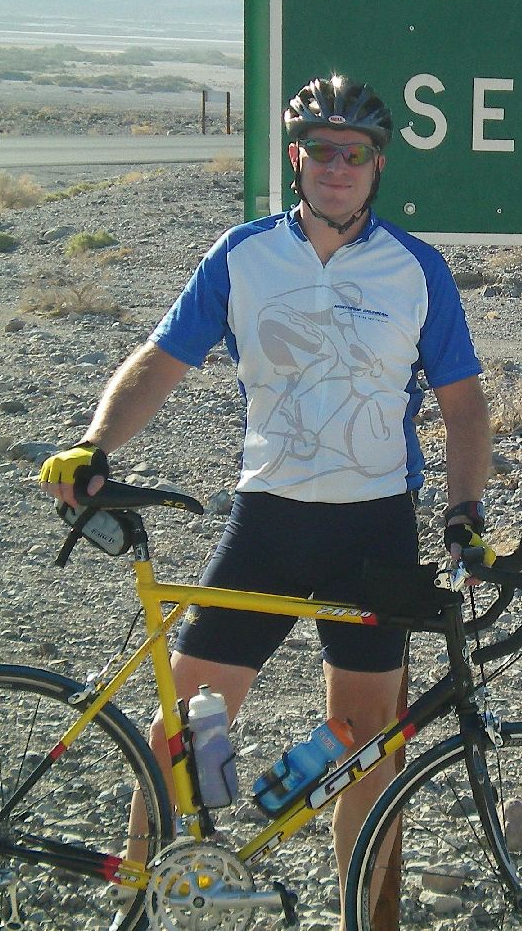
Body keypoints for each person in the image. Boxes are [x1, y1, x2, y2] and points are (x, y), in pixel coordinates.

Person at [39, 75, 491, 909]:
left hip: (374, 529)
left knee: (366, 744)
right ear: (295, 158)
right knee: (185, 725)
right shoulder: (242, 255)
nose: (337, 166)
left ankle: (353, 910)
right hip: (268, 521)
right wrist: (94, 444)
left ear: (378, 166)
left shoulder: (416, 269)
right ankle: (144, 905)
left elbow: (464, 409)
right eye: (321, 149)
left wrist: (464, 513)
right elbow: (160, 362)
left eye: (354, 152)